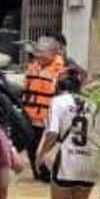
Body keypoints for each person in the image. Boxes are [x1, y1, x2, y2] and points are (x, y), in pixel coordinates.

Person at [36, 75, 99, 199]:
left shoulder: (57, 102)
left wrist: (41, 155)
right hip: (89, 164)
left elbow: (52, 133)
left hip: (65, 163)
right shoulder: (95, 104)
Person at [23, 36, 67, 181]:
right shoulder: (33, 66)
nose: (38, 55)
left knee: (45, 150)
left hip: (49, 120)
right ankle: (40, 174)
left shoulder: (62, 71)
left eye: (42, 52)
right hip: (31, 117)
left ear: (53, 53)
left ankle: (49, 176)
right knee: (31, 148)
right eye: (37, 51)